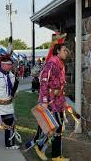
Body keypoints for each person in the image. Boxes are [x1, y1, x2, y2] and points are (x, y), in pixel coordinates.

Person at [31, 32, 70, 161]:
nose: (67, 52)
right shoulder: (51, 64)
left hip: (58, 101)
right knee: (48, 126)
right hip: (50, 102)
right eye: (65, 50)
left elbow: (61, 87)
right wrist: (44, 101)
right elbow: (43, 82)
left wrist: (63, 101)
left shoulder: (60, 64)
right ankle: (39, 145)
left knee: (58, 128)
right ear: (58, 51)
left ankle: (56, 155)